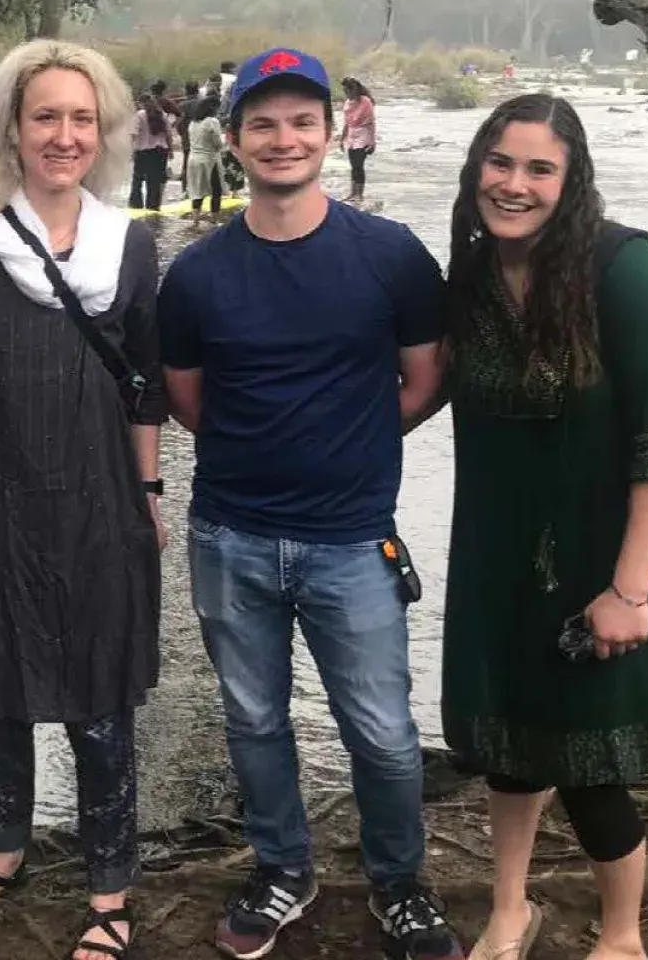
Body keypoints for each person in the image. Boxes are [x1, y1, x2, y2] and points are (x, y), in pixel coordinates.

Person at [156, 48, 461, 960]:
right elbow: (188, 401)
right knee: (253, 720)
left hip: (351, 538)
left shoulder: (391, 256)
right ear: (236, 139)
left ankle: (400, 882)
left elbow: (424, 381)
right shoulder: (199, 274)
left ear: (329, 134)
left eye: (300, 121)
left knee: (385, 731)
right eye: (263, 123)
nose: (282, 139)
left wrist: (349, 444)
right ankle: (283, 867)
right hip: (230, 534)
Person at [441, 94, 648, 960]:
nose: (514, 185)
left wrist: (631, 591)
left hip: (608, 559)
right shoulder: (471, 280)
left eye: (538, 169)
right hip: (498, 556)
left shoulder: (624, 270)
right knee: (510, 746)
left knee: (592, 771)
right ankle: (509, 910)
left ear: (571, 178)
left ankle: (622, 937)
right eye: (500, 163)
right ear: (478, 165)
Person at [0, 38, 165, 960]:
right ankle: (4, 849)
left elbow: (145, 380)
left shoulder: (129, 243)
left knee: (101, 699)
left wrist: (148, 488)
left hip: (101, 502)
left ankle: (111, 889)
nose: (64, 136)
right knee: (1, 690)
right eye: (44, 119)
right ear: (11, 133)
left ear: (100, 132)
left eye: (80, 119)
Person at [129, 82, 174, 211]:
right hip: (160, 151)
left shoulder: (139, 115)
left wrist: (131, 150)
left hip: (143, 152)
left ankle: (136, 205)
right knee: (155, 181)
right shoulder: (162, 115)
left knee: (137, 179)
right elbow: (169, 134)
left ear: (141, 103)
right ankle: (153, 206)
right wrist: (170, 151)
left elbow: (133, 134)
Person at [184, 97, 227, 222]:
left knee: (197, 190)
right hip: (209, 160)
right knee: (216, 190)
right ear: (212, 108)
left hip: (193, 160)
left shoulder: (193, 123)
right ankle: (215, 220)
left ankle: (195, 219)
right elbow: (218, 144)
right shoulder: (212, 122)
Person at [339, 78, 378, 207]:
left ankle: (359, 195)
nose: (346, 93)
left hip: (364, 134)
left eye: (347, 90)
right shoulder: (347, 103)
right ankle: (352, 193)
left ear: (354, 90)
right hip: (351, 135)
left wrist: (372, 142)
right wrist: (342, 139)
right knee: (353, 165)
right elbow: (346, 122)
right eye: (344, 91)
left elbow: (371, 122)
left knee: (359, 165)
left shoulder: (365, 101)